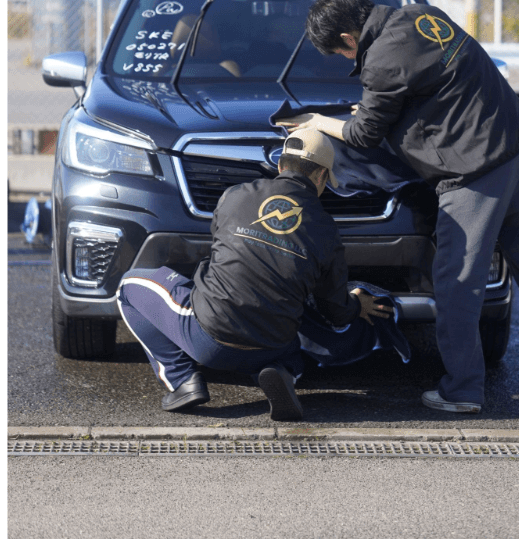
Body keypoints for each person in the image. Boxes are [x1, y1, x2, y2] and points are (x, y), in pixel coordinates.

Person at [296, 0, 519, 414]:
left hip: (475, 174)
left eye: (339, 52)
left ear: (349, 39)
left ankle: (462, 391)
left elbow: (364, 135)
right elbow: (436, 88)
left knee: (456, 286)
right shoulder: (424, 15)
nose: (344, 59)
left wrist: (320, 122)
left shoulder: (382, 59)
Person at [116, 132, 393, 420]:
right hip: (273, 345)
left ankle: (182, 379)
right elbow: (334, 311)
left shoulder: (235, 196)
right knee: (288, 326)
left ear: (281, 166)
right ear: (322, 175)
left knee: (128, 287)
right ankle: (284, 372)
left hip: (209, 340)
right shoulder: (327, 230)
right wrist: (357, 304)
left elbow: (221, 255)